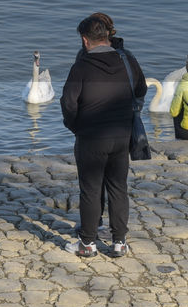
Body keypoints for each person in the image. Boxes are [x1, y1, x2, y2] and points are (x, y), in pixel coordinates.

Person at [60, 14, 147, 259]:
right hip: (122, 134)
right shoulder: (127, 60)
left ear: (85, 40)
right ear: (107, 36)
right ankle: (119, 241)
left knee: (90, 187)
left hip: (91, 136)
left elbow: (68, 102)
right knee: (118, 186)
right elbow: (141, 89)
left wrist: (75, 125)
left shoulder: (82, 66)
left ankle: (88, 243)